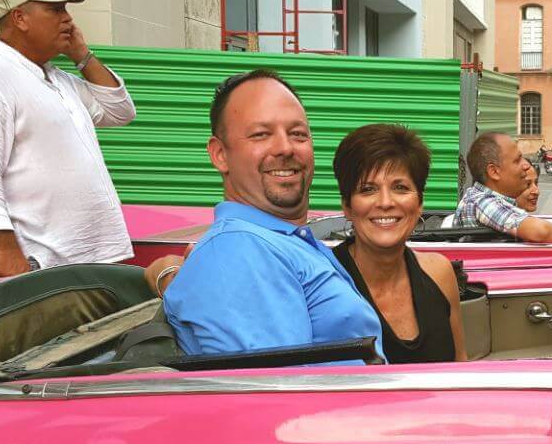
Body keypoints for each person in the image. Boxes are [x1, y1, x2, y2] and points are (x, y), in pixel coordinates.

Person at [160, 69, 384, 359]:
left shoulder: (281, 241)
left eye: (298, 134)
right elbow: (279, 394)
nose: (285, 148)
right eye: (261, 135)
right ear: (220, 155)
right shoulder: (238, 249)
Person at [0, 0, 137, 281]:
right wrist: (7, 252)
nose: (68, 19)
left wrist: (81, 54)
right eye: (55, 9)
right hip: (33, 268)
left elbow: (119, 110)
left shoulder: (58, 79)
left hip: (83, 262)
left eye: (66, 9)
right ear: (20, 18)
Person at [330, 124, 467, 363]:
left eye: (400, 188)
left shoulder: (439, 273)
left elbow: (459, 367)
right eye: (368, 189)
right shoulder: (326, 279)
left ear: (419, 203)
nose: (385, 202)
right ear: (347, 206)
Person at [454, 132, 552, 242]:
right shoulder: (481, 202)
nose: (525, 165)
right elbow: (540, 232)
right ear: (494, 171)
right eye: (517, 160)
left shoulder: (481, 198)